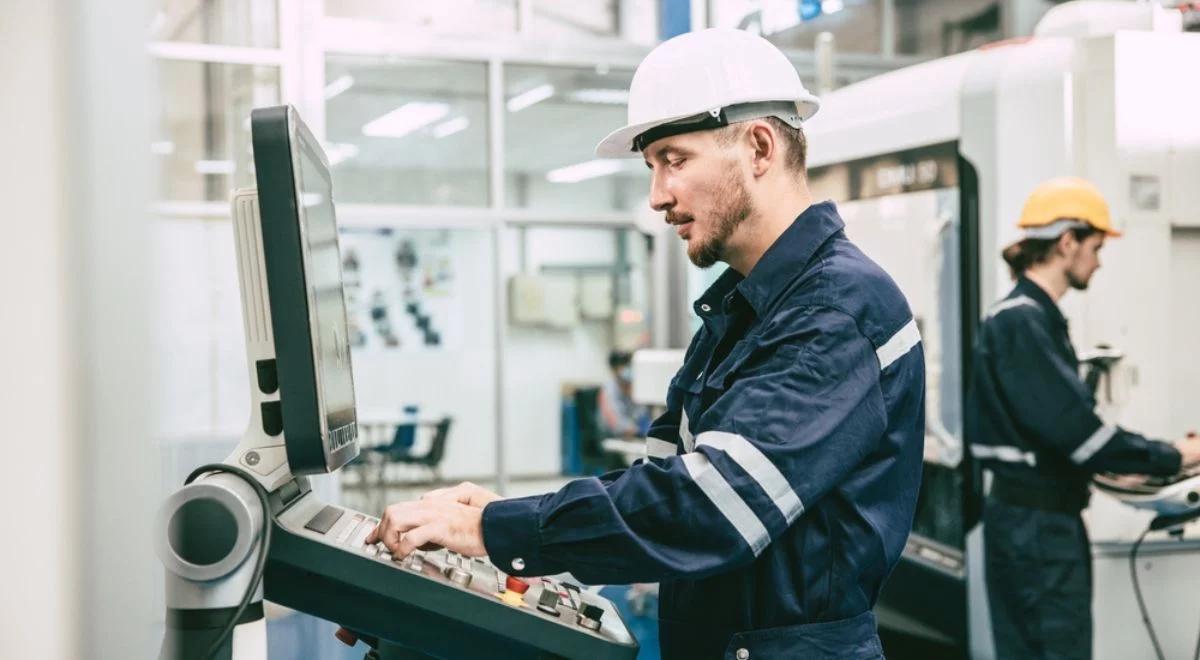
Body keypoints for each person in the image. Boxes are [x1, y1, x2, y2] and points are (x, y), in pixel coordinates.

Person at [366, 28, 926, 659]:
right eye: (652, 166)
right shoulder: (743, 309)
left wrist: (496, 529)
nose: (658, 195)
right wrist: (511, 513)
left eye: (675, 159)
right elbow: (665, 482)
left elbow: (716, 504)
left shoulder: (833, 307)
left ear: (759, 147)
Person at [965, 176, 1200, 660]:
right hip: (1039, 532)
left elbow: (1059, 435)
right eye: (1095, 246)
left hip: (1028, 521)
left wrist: (1126, 462)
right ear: (1067, 242)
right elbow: (1078, 433)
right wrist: (1176, 454)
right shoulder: (1023, 321)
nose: (1098, 259)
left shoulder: (1025, 316)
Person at [596, 350, 649, 439]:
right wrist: (638, 431)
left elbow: (642, 414)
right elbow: (616, 423)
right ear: (614, 369)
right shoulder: (608, 391)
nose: (628, 368)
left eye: (629, 364)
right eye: (624, 365)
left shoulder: (632, 387)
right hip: (611, 439)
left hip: (632, 437)